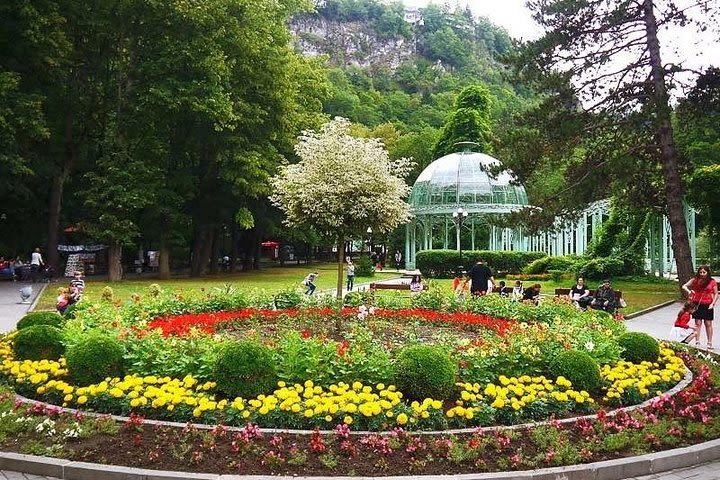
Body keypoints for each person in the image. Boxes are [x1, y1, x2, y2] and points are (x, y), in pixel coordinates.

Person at [683, 265, 718, 349]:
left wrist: (712, 303)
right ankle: (697, 341)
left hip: (708, 304)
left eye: (704, 272)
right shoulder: (695, 280)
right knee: (697, 323)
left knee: (708, 323)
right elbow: (684, 286)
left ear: (707, 272)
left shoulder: (712, 281)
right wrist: (689, 291)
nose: (702, 274)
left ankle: (709, 342)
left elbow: (716, 293)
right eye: (700, 272)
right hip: (697, 304)